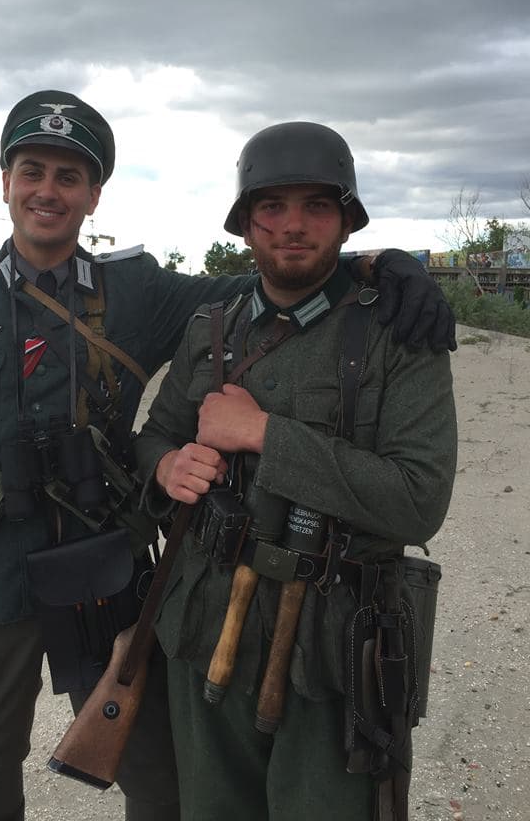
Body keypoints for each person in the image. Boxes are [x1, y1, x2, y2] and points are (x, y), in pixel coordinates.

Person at [0, 93, 456, 821]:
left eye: (68, 177)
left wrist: (383, 264)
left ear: (94, 195)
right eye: (32, 172)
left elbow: (274, 279)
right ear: (5, 182)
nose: (48, 191)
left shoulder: (136, 290)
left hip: (101, 570)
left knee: (153, 773)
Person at [134, 121, 457, 821]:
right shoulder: (211, 328)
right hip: (204, 626)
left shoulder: (400, 333)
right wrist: (166, 467)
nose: (293, 225)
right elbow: (155, 435)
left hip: (332, 650)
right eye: (272, 207)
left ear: (346, 221)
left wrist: (263, 435)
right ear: (246, 223)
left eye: (316, 206)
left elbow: (419, 499)